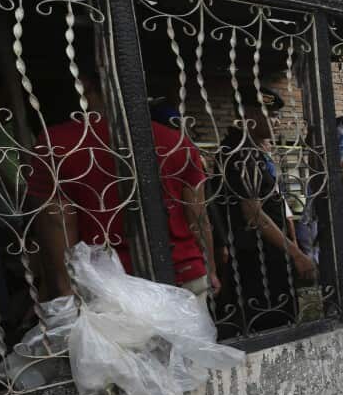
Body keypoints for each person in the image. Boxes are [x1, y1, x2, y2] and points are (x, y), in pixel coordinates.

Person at [28, 68, 219, 312]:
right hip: (183, 273)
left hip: (109, 285)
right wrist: (210, 267)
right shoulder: (177, 141)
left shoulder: (58, 143)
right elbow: (198, 216)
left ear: (84, 84)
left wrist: (64, 289)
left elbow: (58, 220)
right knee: (188, 348)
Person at [215, 87, 317, 335]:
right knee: (270, 327)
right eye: (270, 116)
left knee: (280, 319)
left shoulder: (254, 152)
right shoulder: (240, 154)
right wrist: (296, 254)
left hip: (270, 254)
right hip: (256, 259)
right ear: (248, 115)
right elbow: (254, 214)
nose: (277, 122)